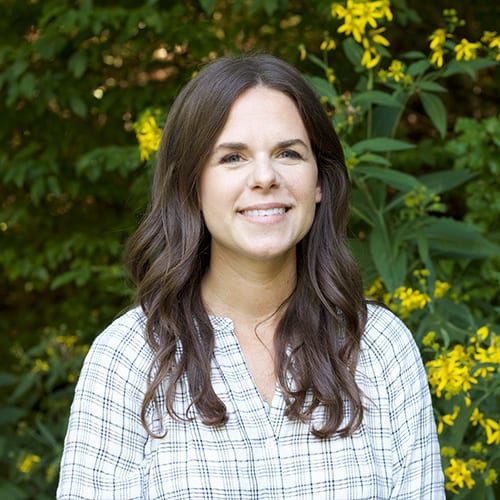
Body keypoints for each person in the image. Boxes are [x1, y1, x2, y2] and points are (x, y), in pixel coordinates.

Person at [57, 53, 445, 499]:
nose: (265, 177)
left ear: (319, 181)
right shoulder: (127, 360)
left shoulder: (379, 347)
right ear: (192, 184)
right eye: (233, 157)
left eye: (288, 153)